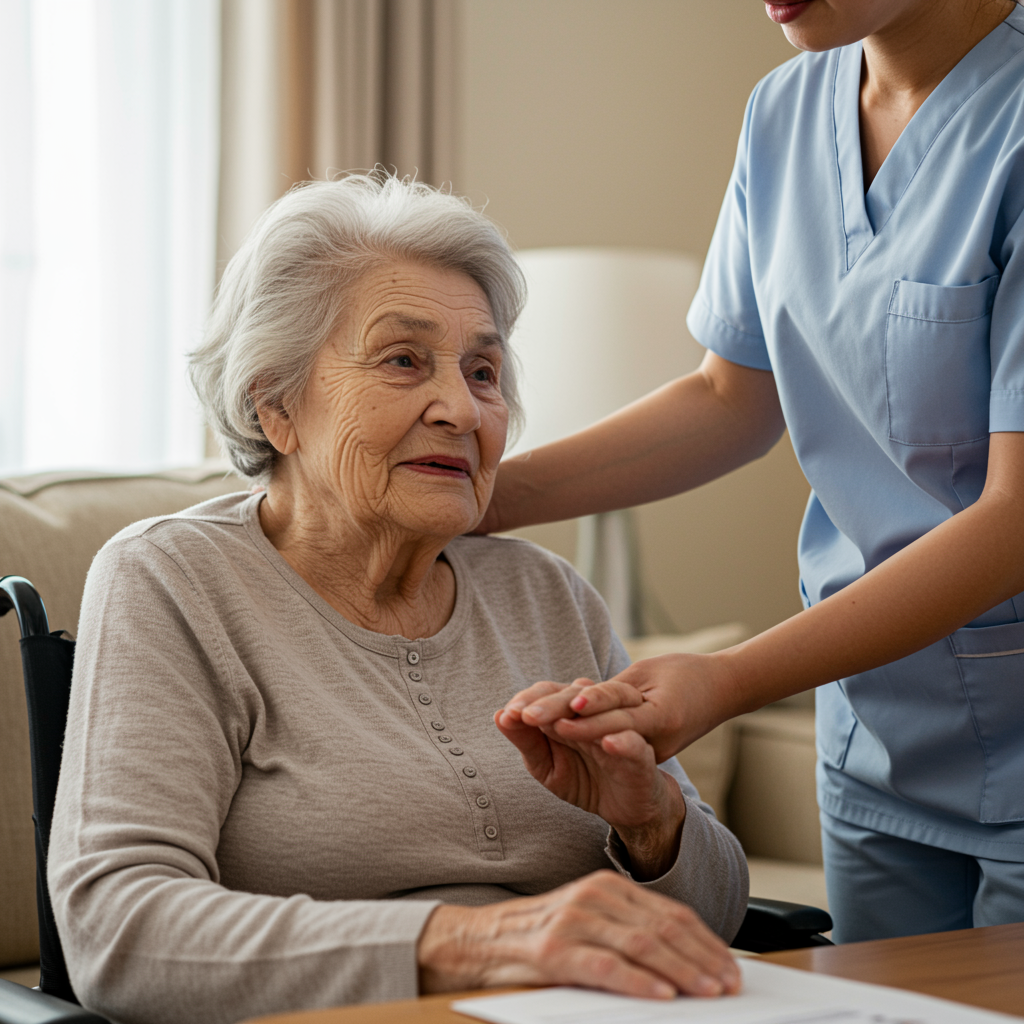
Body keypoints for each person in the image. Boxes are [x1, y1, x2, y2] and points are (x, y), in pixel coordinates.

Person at [47, 174, 745, 1024]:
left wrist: (656, 826)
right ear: (275, 405)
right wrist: (472, 945)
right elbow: (117, 930)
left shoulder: (547, 593)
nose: (462, 409)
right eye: (404, 360)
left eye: (483, 372)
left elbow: (721, 915)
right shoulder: (174, 579)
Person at [487, 0, 1024, 944]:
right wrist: (485, 497)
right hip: (872, 734)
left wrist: (727, 680)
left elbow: (1014, 519)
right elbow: (731, 397)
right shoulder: (786, 110)